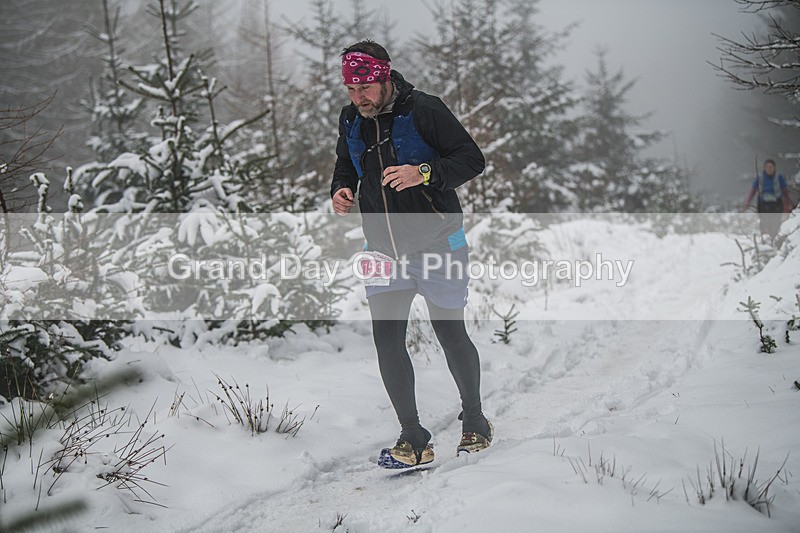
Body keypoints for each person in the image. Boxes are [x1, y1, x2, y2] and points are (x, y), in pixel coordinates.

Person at [330, 40, 492, 468]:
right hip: (382, 248)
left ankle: (475, 420)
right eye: (351, 89)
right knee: (386, 339)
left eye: (365, 87)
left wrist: (423, 172)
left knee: (449, 333)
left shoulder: (424, 109)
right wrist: (341, 189)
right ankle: (413, 436)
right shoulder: (351, 118)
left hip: (438, 244)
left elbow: (472, 160)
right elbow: (346, 164)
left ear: (385, 78)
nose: (358, 97)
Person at [743, 159, 793, 239]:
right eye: (767, 167)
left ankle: (774, 238)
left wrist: (788, 204)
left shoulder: (779, 177)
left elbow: (785, 191)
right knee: (764, 223)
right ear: (764, 168)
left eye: (771, 167)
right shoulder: (760, 177)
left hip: (776, 203)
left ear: (774, 168)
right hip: (763, 204)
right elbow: (753, 191)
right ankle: (765, 240)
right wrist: (747, 202)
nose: (769, 169)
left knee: (775, 223)